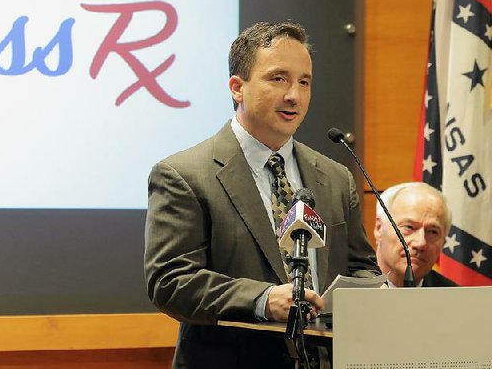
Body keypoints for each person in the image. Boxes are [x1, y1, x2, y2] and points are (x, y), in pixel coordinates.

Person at [144, 21, 380, 368]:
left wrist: (365, 294)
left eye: (304, 82)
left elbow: (361, 267)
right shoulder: (185, 175)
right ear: (237, 88)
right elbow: (171, 281)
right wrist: (263, 299)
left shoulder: (334, 176)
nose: (294, 96)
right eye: (278, 78)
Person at [375, 182, 456, 287]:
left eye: (432, 232)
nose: (420, 243)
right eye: (409, 227)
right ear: (379, 228)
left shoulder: (456, 299)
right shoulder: (349, 289)